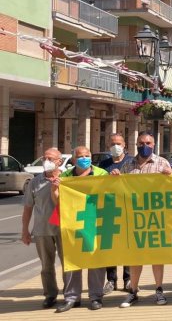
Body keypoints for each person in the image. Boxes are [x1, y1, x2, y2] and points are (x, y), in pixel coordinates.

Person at [114, 131, 172, 308]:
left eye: (148, 143)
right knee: (135, 256)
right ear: (136, 144)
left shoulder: (162, 163)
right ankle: (133, 291)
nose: (144, 146)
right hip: (134, 216)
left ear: (153, 145)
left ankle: (159, 290)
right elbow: (119, 188)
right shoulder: (127, 165)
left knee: (157, 256)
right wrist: (115, 177)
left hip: (156, 216)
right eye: (141, 143)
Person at [52, 146, 109, 312]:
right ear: (74, 159)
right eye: (80, 156)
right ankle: (71, 298)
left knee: (96, 260)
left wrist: (115, 179)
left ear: (91, 157)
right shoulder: (66, 176)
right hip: (72, 222)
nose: (84, 158)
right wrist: (54, 188)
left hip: (94, 221)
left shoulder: (101, 174)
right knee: (72, 259)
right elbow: (57, 201)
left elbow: (110, 194)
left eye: (87, 155)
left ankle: (96, 296)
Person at [21, 148, 64, 309]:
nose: (47, 161)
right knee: (46, 265)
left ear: (59, 161)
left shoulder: (67, 179)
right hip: (42, 230)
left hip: (63, 229)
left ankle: (70, 294)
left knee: (68, 264)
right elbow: (27, 208)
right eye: (44, 158)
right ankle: (50, 294)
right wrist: (25, 230)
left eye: (51, 158)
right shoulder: (34, 182)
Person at [99, 133, 134, 295]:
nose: (115, 146)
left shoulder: (132, 162)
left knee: (127, 245)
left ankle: (128, 279)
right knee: (110, 246)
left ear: (124, 144)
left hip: (127, 209)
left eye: (118, 143)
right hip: (109, 209)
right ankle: (111, 280)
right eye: (112, 143)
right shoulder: (103, 164)